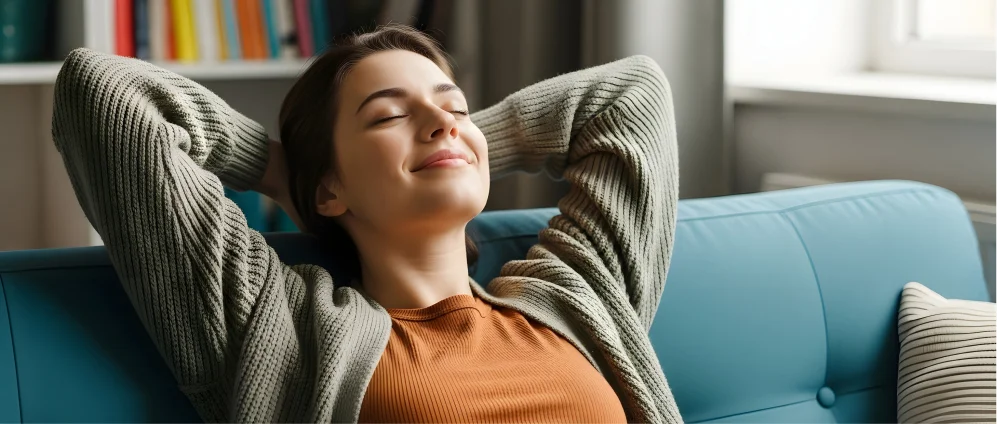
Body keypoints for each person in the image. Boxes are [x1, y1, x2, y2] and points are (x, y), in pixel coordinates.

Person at [52, 24, 680, 423]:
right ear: (330, 189)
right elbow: (103, 92)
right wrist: (288, 171)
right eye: (386, 117)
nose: (444, 120)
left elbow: (633, 96)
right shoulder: (283, 332)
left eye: (454, 105)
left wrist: (458, 143)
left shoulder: (577, 296)